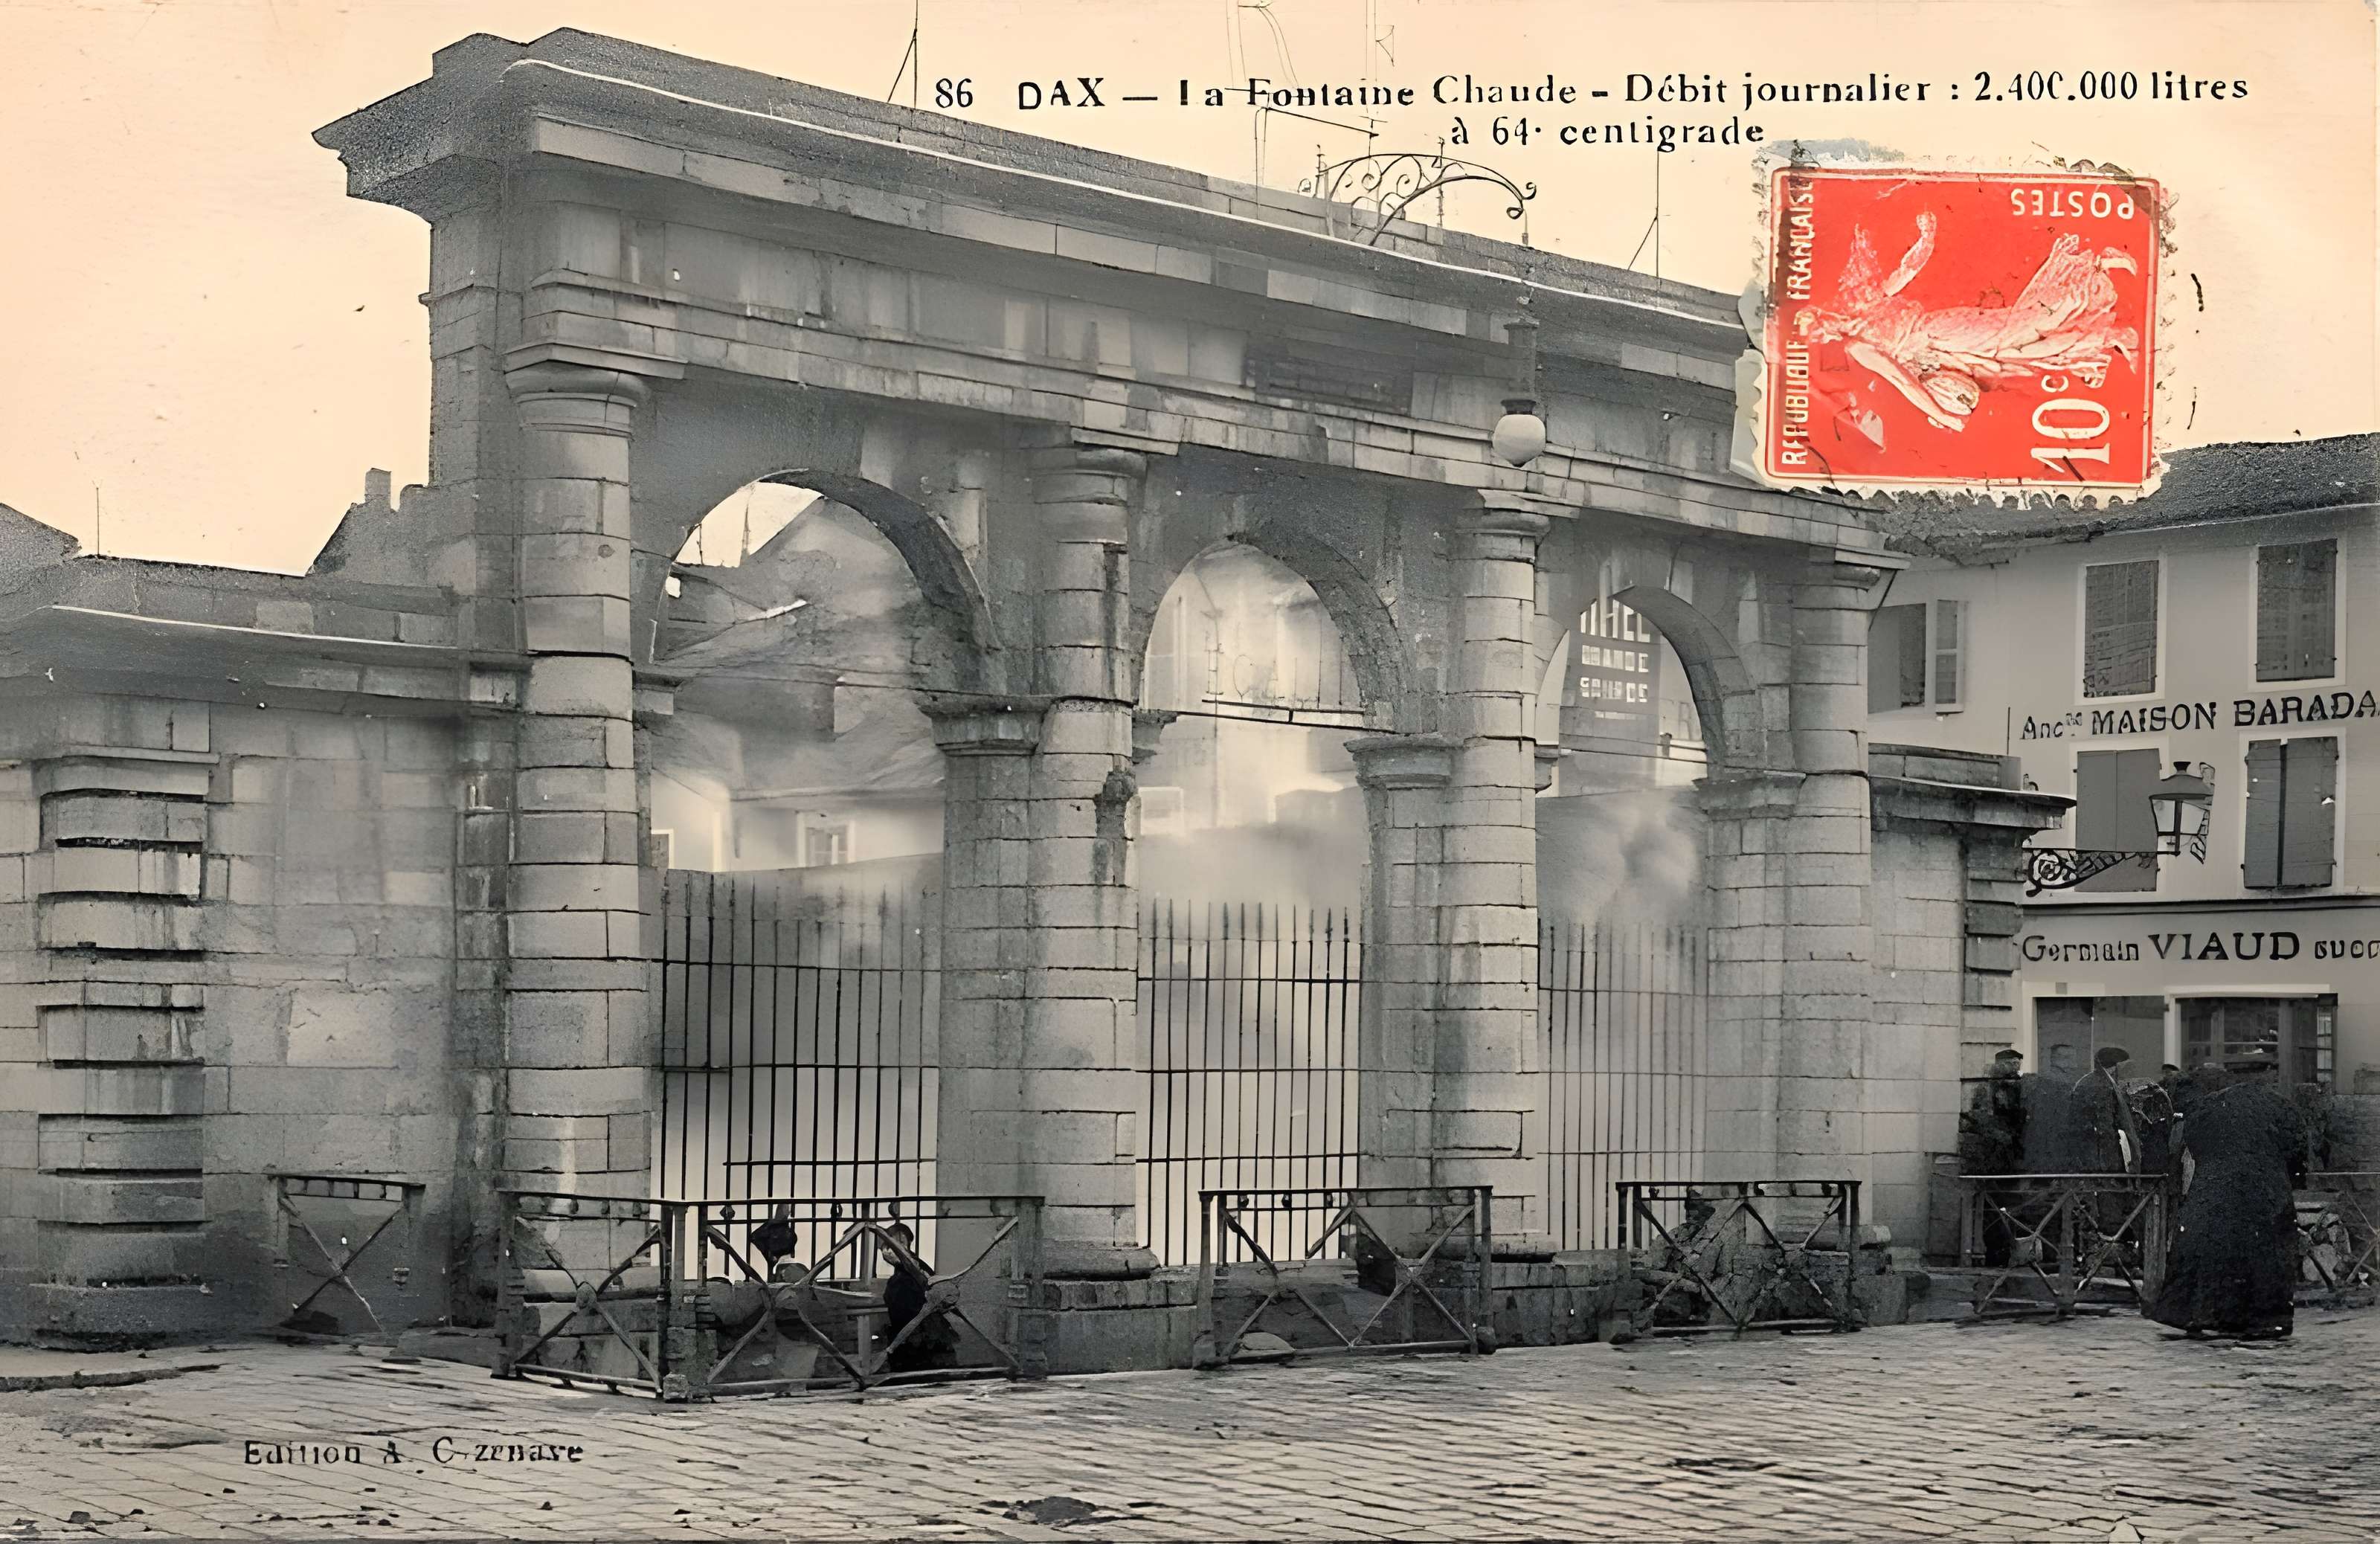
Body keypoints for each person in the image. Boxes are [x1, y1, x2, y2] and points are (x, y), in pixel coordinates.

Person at [2147, 1054, 2310, 1341]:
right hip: (2265, 1191)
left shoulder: (2210, 1105)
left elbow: (2194, 1144)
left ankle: (2196, 1314)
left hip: (2212, 1190)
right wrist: (2290, 1177)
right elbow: (2297, 1149)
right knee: (2263, 1256)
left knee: (2210, 1253)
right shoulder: (2280, 1105)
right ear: (2268, 1074)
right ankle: (2261, 1321)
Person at [1960, 1049, 2027, 1267]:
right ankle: (1993, 1251)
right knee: (1991, 1208)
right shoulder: (1986, 1088)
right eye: (2012, 1063)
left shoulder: (2017, 1087)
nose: (2016, 1068)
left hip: (2011, 1159)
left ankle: (2009, 1249)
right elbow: (1980, 1118)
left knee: (2012, 1205)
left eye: (2018, 1064)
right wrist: (2001, 1136)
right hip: (1990, 1160)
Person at [878, 1221, 959, 1373]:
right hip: (908, 1321)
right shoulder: (900, 1269)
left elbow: (932, 1284)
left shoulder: (914, 1264)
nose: (897, 1245)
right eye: (893, 1241)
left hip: (923, 1321)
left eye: (902, 1241)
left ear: (908, 1243)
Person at [2019, 1043, 2082, 1173]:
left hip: (2044, 1140)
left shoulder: (2045, 1079)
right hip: (2053, 1140)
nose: (2075, 1064)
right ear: (2061, 1061)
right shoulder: (2059, 1082)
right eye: (2072, 1059)